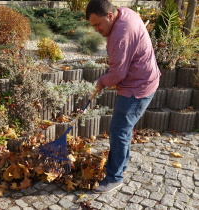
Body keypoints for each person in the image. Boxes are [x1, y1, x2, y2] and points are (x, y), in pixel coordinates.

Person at [86, 0, 161, 193]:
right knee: (123, 129)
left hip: (138, 87)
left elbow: (117, 74)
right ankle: (120, 167)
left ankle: (114, 177)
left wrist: (102, 81)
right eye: (93, 25)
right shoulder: (123, 12)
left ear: (110, 16)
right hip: (142, 79)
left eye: (98, 24)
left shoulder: (120, 33)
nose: (96, 30)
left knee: (118, 131)